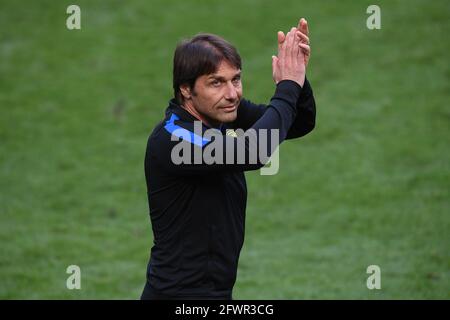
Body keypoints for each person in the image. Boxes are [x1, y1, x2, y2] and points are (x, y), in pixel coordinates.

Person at [141, 18, 316, 300]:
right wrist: (286, 87)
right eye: (216, 83)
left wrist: (297, 78)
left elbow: (300, 122)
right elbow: (253, 151)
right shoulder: (174, 138)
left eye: (236, 79)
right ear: (186, 89)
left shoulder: (223, 114)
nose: (232, 94)